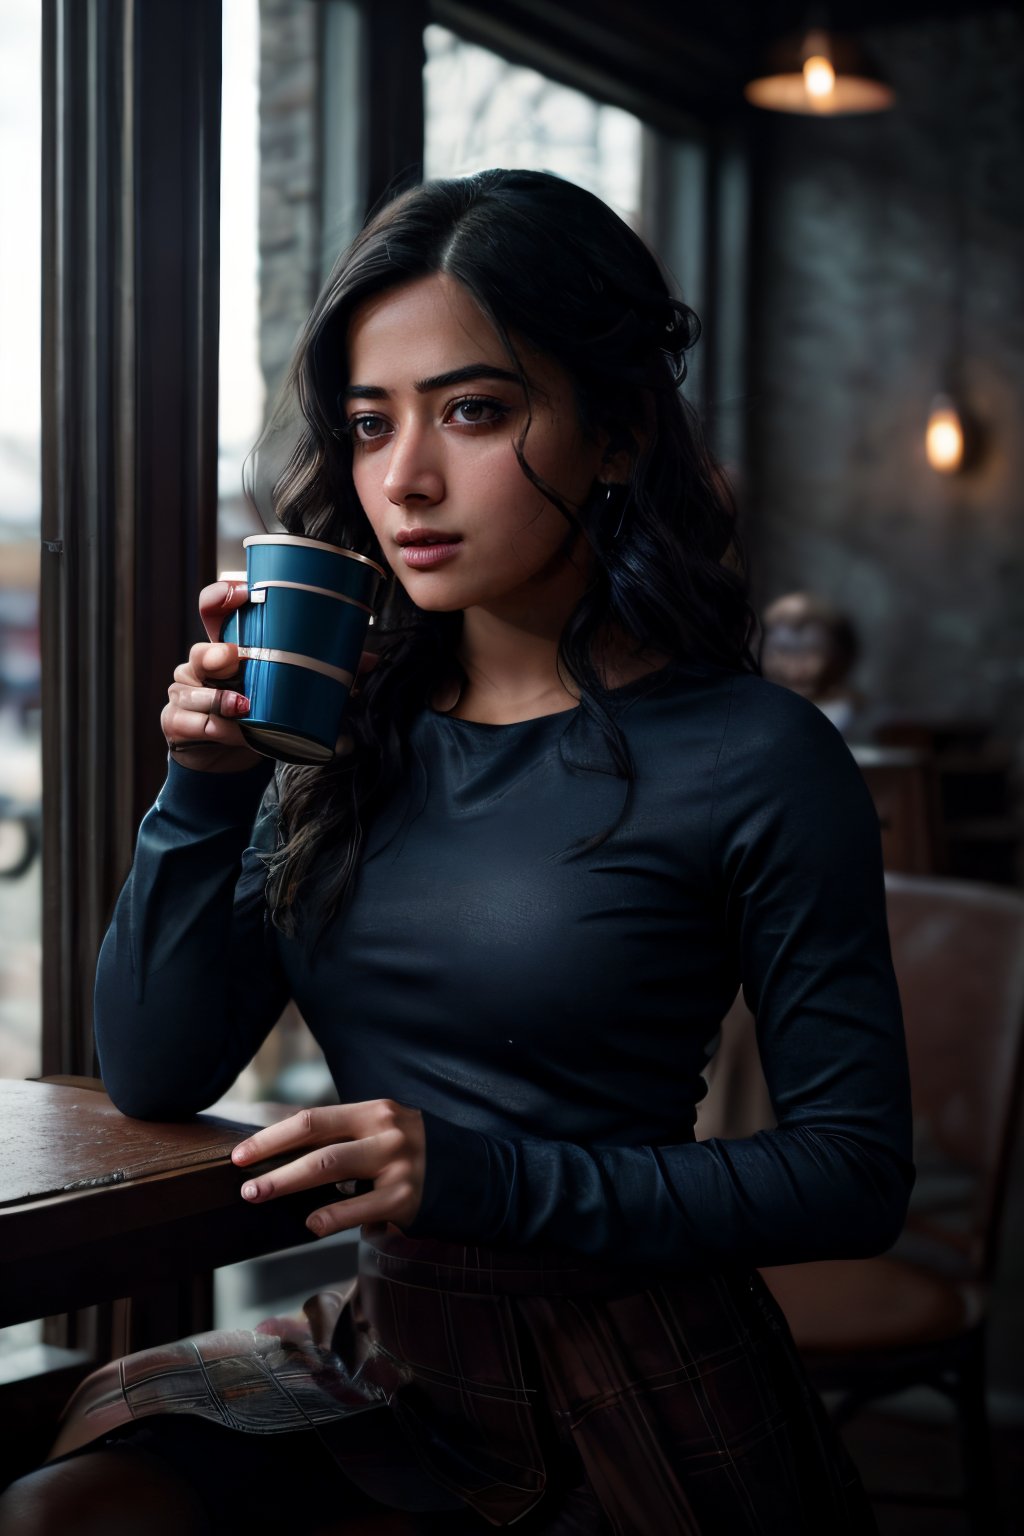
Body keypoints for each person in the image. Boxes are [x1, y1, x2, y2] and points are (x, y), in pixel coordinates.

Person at [0, 169, 913, 1536]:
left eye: (473, 411)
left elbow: (854, 1174)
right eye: (370, 426)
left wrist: (479, 1171)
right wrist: (201, 789)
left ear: (613, 432)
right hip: (391, 1355)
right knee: (66, 1509)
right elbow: (156, 1066)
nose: (404, 479)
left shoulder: (757, 754)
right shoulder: (350, 737)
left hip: (634, 1374)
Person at [759, 591, 864, 739]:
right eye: (781, 650)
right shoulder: (751, 713)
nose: (792, 669)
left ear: (840, 656)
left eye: (811, 651)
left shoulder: (861, 720)